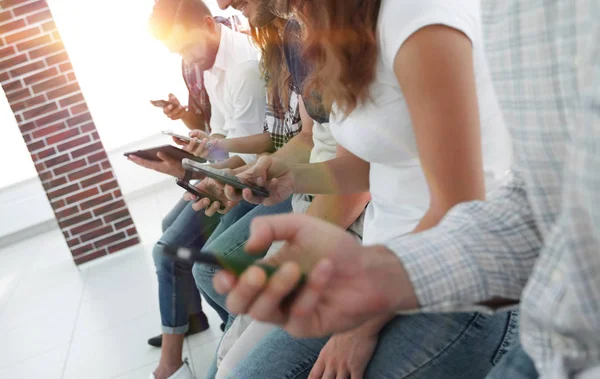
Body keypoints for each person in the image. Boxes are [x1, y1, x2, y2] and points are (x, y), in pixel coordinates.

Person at [215, 0, 600, 378]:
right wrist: (291, 177)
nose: (228, 2)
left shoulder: (421, 18)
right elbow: (363, 168)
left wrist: (362, 322)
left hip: (458, 286)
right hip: (390, 261)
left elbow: (460, 213)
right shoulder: (347, 34)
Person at [129, 1, 266, 379]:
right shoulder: (207, 59)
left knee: (169, 251)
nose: (186, 59)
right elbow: (224, 134)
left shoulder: (244, 67)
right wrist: (200, 146)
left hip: (251, 177)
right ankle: (199, 323)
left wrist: (196, 167)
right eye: (178, 52)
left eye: (186, 48)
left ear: (209, 24)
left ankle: (181, 355)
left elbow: (249, 151)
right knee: (168, 224)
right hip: (228, 167)